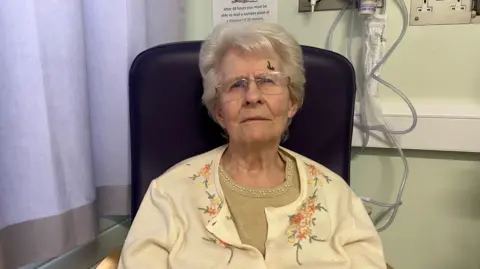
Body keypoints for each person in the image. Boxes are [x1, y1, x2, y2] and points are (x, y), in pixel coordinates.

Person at [118, 22, 386, 269]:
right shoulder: (169, 194)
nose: (253, 96)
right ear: (219, 111)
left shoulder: (335, 195)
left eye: (268, 80)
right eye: (237, 85)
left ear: (292, 102)